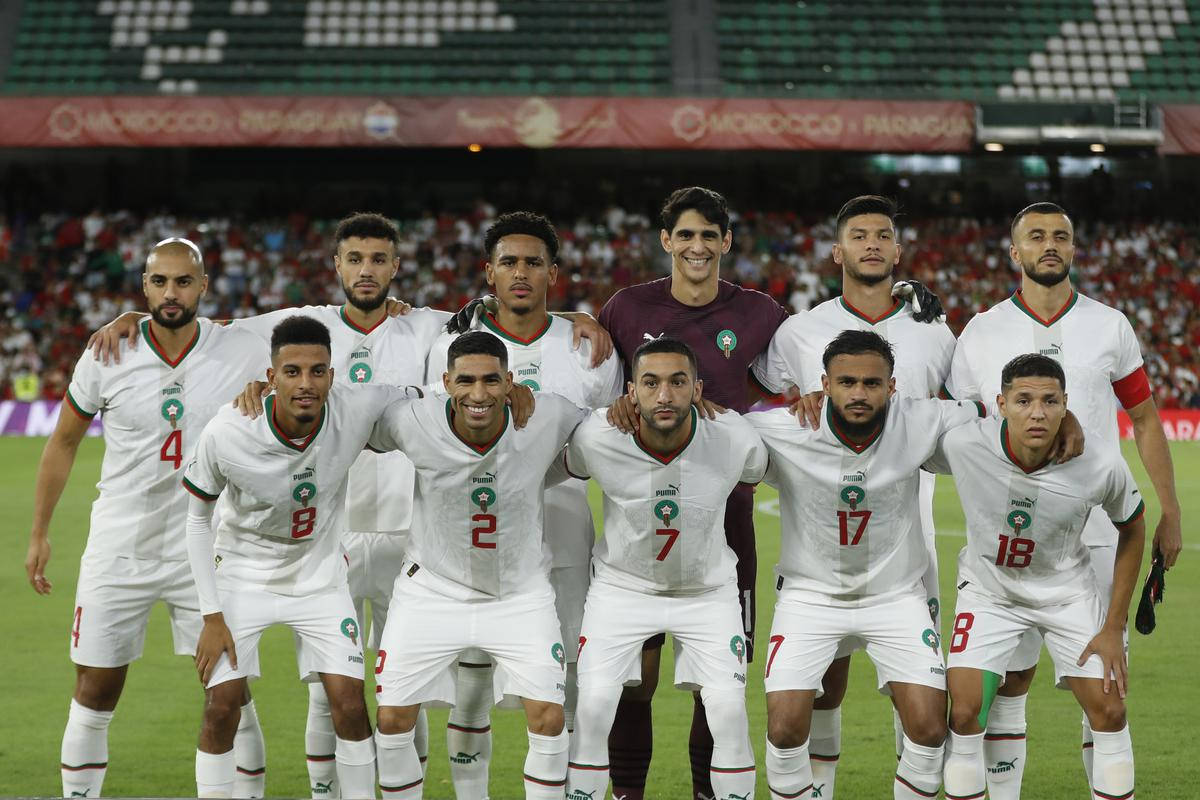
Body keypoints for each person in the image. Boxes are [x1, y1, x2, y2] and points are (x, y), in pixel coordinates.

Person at [89, 212, 605, 798]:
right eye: (354, 259)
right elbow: (205, 326)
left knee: (398, 698)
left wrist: (575, 318)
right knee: (326, 686)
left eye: (379, 259)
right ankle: (325, 792)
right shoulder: (294, 324)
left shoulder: (432, 327)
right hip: (331, 537)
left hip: (410, 535)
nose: (366, 270)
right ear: (336, 265)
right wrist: (136, 315)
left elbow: (512, 312)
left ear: (396, 266)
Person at [943, 202, 1181, 798]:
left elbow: (1146, 420)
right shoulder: (981, 331)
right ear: (1014, 253)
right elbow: (959, 421)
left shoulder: (1109, 325)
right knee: (1011, 679)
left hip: (1098, 530)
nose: (1049, 245)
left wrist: (1169, 509)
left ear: (1074, 249)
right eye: (1036, 237)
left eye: (1061, 236)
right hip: (1013, 537)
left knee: (1101, 690)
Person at [25, 238, 270, 798]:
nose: (171, 292)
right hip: (120, 546)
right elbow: (63, 442)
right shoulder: (106, 353)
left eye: (184, 281)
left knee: (231, 691)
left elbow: (326, 329)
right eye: (159, 282)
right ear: (144, 285)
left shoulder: (242, 348)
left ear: (204, 286)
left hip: (207, 551)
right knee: (95, 686)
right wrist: (39, 531)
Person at [751, 196, 956, 798]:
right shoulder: (799, 331)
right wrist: (793, 406)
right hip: (822, 533)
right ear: (837, 251)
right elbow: (763, 404)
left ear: (898, 250)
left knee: (917, 700)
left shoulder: (933, 330)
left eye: (883, 235)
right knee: (825, 685)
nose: (871, 244)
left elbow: (967, 412)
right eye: (858, 235)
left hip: (908, 538)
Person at [597, 186, 788, 800]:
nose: (698, 246)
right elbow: (599, 384)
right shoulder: (625, 309)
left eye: (710, 235)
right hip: (642, 517)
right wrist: (574, 318)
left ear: (726, 242)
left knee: (720, 678)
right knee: (635, 676)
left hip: (728, 519)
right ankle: (628, 790)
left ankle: (708, 791)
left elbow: (811, 374)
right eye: (686, 235)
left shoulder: (761, 314)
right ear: (666, 241)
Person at [423, 212, 622, 800]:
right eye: (508, 261)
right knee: (472, 678)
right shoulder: (452, 346)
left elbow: (612, 441)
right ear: (488, 271)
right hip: (475, 532)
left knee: (571, 678)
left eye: (533, 262)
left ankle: (578, 791)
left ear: (553, 273)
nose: (520, 273)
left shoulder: (588, 348)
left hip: (562, 527)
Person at [183, 315, 420, 798]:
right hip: (243, 576)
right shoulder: (229, 431)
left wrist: (511, 391)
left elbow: (435, 396)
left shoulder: (357, 406)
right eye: (292, 372)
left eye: (318, 371)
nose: (306, 383)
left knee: (350, 703)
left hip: (319, 577)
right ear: (270, 378)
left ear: (333, 375)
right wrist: (211, 615)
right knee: (222, 703)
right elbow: (196, 521)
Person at [748, 330, 990, 800]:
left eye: (872, 384)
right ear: (825, 384)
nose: (859, 393)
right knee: (783, 728)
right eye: (847, 382)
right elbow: (712, 427)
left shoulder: (920, 420)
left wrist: (1067, 424)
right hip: (810, 596)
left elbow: (990, 413)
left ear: (892, 387)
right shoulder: (786, 428)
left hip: (895, 597)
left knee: (928, 727)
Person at [369, 331, 588, 800]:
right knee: (392, 718)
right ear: (445, 382)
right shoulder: (412, 420)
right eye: (465, 380)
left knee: (549, 718)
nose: (479, 393)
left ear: (510, 382)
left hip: (520, 594)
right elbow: (350, 415)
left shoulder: (548, 414)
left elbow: (606, 428)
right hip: (431, 589)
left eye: (492, 380)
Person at [932, 354, 1144, 800]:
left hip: (1067, 593)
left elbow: (1133, 526)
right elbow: (894, 425)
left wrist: (1113, 627)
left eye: (1050, 401)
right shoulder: (964, 444)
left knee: (1109, 710)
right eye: (1023, 400)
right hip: (989, 593)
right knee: (966, 712)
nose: (1037, 412)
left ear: (1067, 405)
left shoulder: (1100, 463)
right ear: (1001, 403)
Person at [564, 336, 767, 800]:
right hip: (622, 589)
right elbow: (565, 466)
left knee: (729, 711)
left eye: (678, 382)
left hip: (707, 592)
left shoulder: (734, 436)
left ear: (698, 388)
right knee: (594, 707)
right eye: (651, 383)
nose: (665, 395)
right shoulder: (597, 435)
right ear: (630, 391)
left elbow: (757, 471)